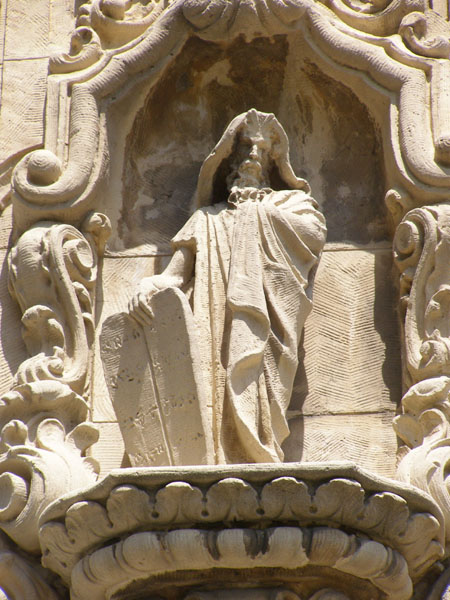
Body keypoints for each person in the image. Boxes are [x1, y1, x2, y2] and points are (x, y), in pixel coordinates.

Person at [130, 109, 326, 463]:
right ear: (229, 158)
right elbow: (174, 276)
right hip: (214, 325)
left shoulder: (290, 204)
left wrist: (257, 212)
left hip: (268, 322)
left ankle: (261, 447)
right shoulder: (206, 219)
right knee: (212, 387)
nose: (252, 156)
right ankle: (217, 454)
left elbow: (313, 232)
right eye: (246, 147)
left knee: (263, 387)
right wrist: (148, 286)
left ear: (272, 162)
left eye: (262, 150)